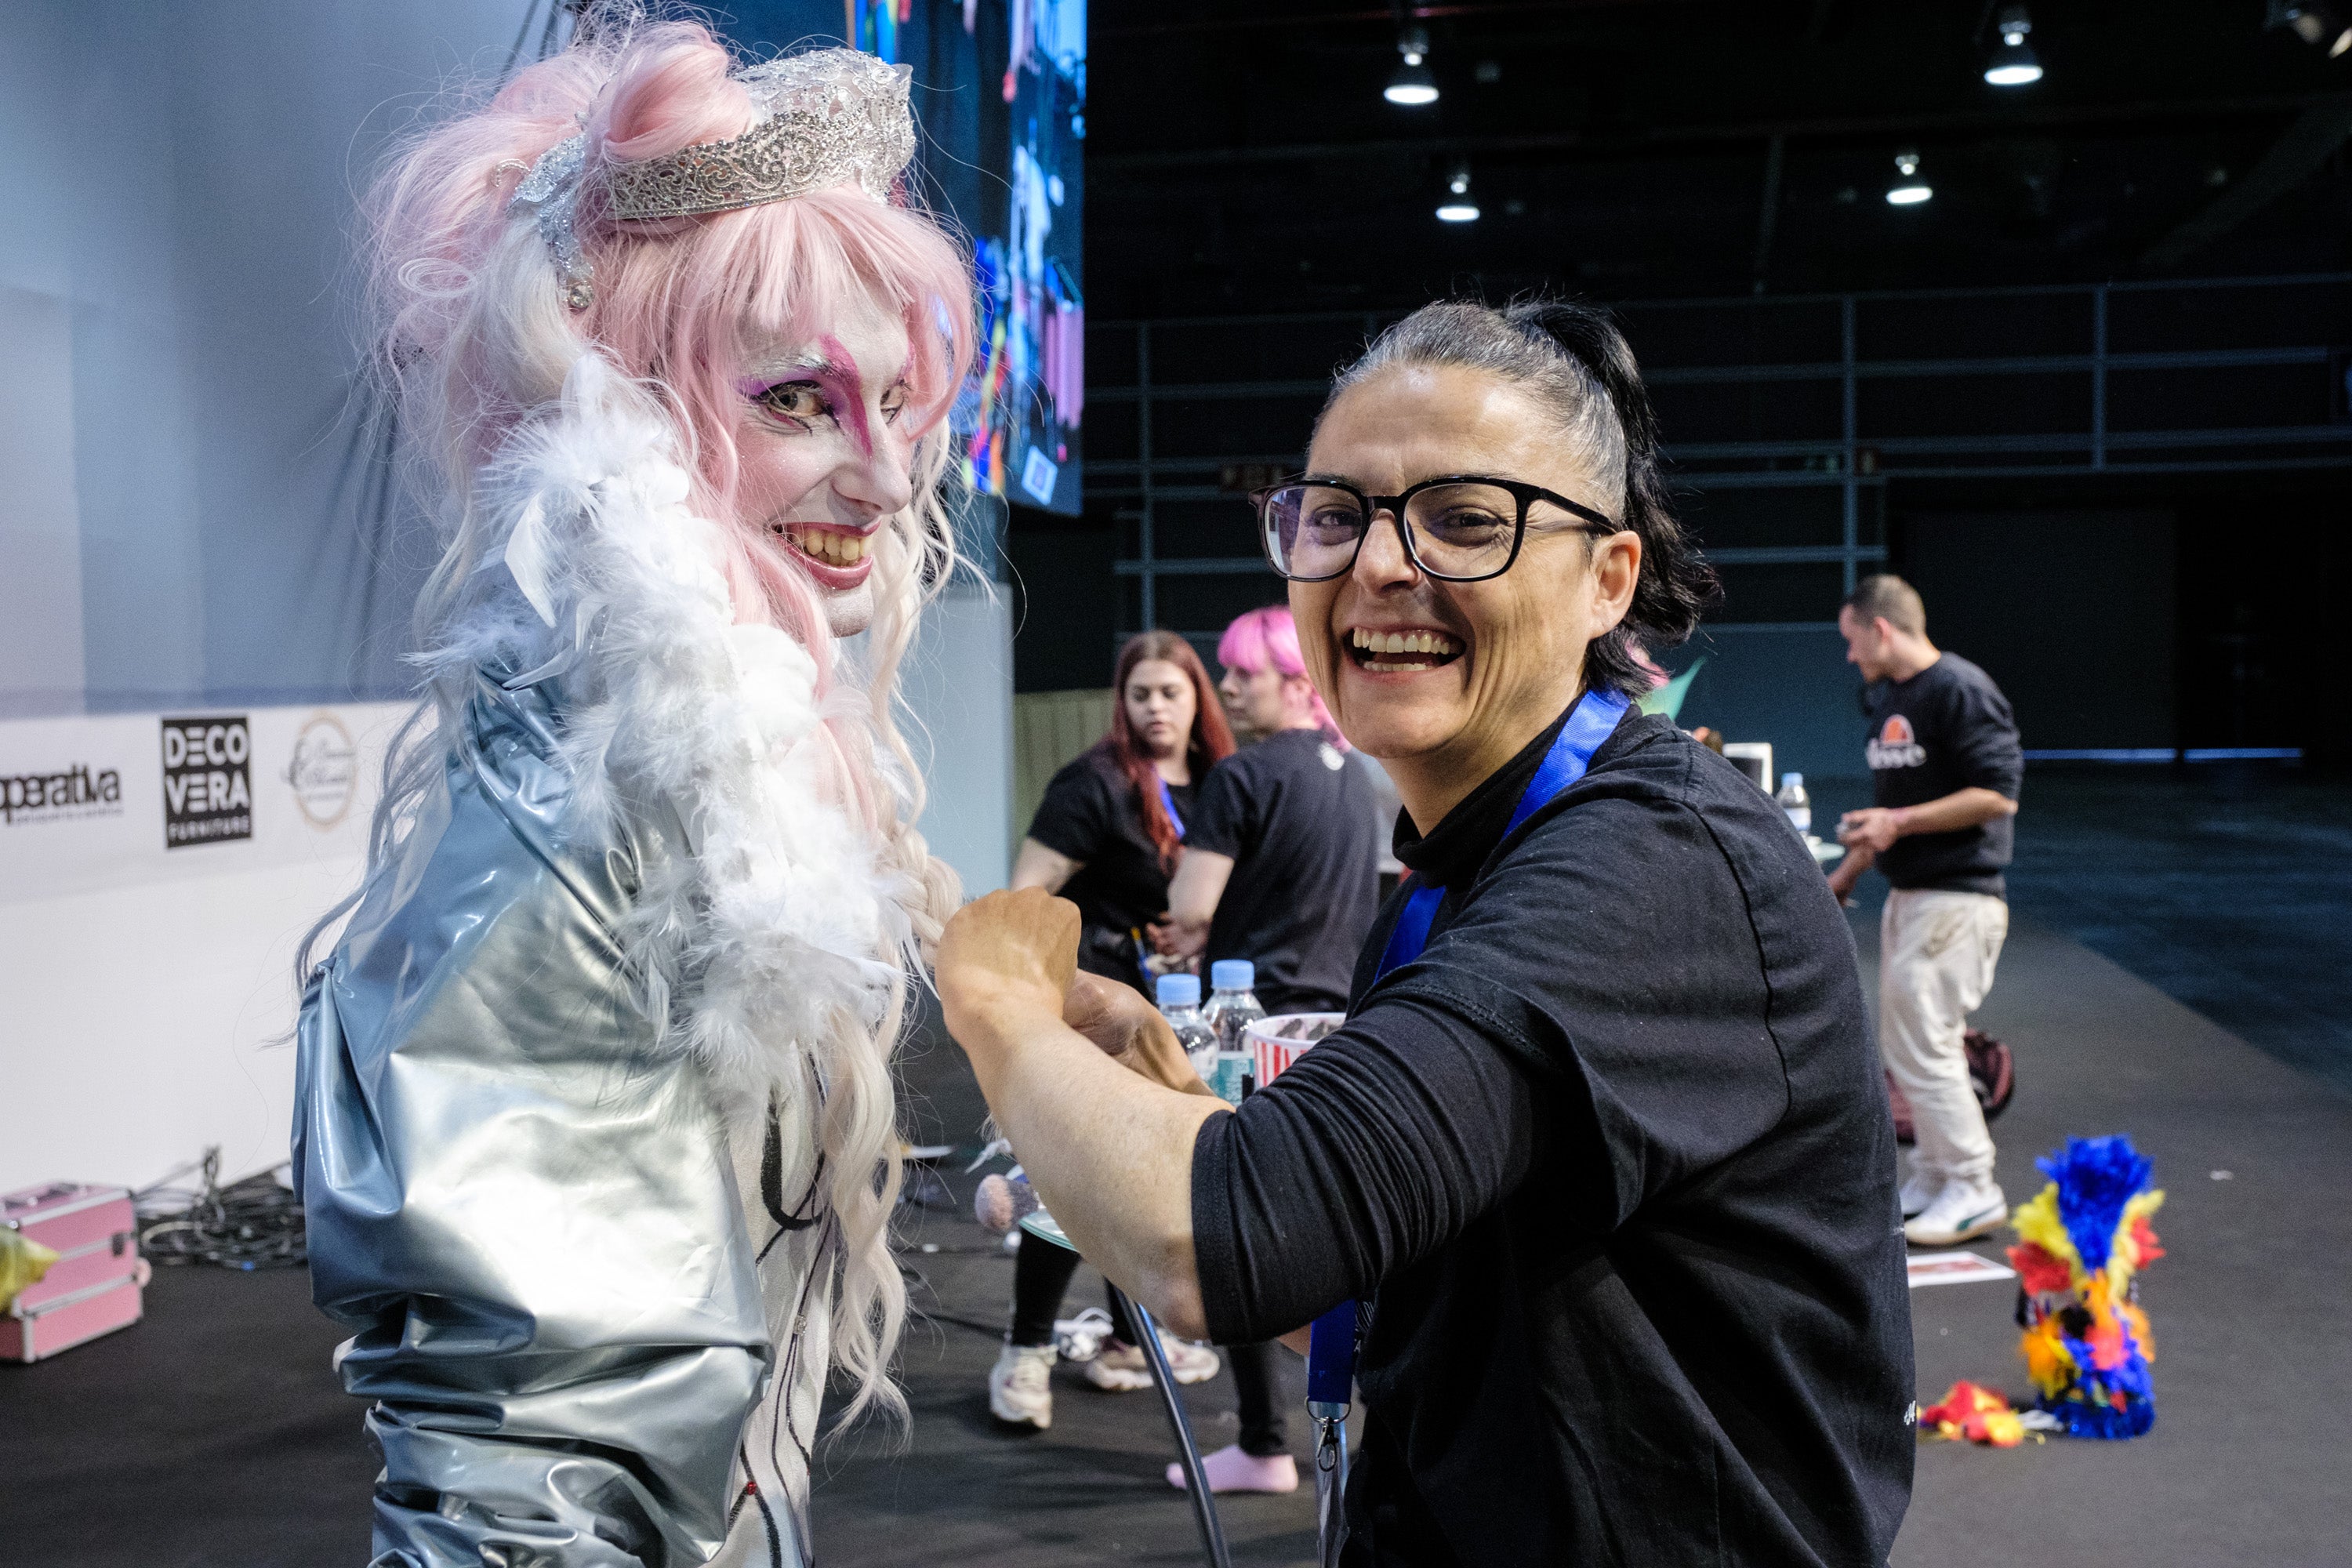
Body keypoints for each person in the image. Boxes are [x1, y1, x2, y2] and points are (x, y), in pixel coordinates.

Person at [936, 299, 1914, 1565]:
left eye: (1465, 520)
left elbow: (1213, 1246)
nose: (1382, 565)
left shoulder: (1652, 866)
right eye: (1337, 515)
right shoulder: (1457, 870)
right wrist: (1157, 1084)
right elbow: (1362, 1272)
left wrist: (993, 994)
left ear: (1606, 579)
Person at [291, 28, 975, 1565]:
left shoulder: (673, 757)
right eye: (802, 399)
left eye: (891, 399)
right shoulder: (590, 791)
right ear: (637, 423)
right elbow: (522, 1461)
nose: (880, 471)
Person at [1147, 604, 1383, 1495]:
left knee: (1233, 1231)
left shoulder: (1241, 778)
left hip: (1257, 1035)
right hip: (1349, 1032)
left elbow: (1190, 910)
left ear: (1293, 679)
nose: (1228, 685)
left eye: (1243, 671)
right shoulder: (1352, 775)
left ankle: (1260, 1441)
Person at [986, 630, 1236, 1429]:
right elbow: (1028, 895)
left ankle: (1134, 1336)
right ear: (1121, 706)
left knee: (1149, 1182)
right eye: (1141, 694)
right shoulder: (1092, 783)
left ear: (1199, 697)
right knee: (1067, 1186)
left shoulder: (1221, 783)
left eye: (1170, 691)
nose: (1156, 707)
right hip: (1093, 1014)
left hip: (1180, 1019)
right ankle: (1025, 1353)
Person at [1827, 573, 2024, 1247]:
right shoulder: (1894, 700)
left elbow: (1998, 795)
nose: (1851, 656)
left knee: (1929, 1043)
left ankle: (1973, 1185)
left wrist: (1898, 821)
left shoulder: (1959, 689)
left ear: (1881, 628)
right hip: (1914, 897)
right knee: (1907, 1046)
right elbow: (1893, 819)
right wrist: (1849, 873)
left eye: (1853, 640)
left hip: (1958, 898)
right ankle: (1936, 1174)